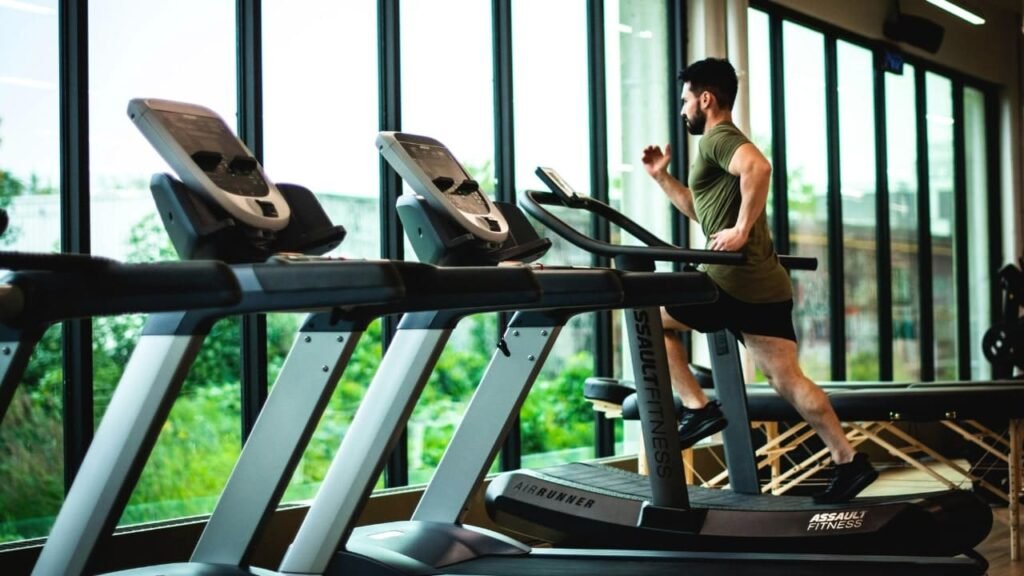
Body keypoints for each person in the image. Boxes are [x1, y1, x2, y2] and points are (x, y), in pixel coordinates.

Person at [641, 57, 877, 503]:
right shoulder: (719, 147)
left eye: (685, 100)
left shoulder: (720, 139)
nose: (683, 109)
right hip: (765, 284)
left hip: (728, 280)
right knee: (788, 380)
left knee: (647, 317)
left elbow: (760, 169)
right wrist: (662, 178)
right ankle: (848, 460)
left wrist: (742, 230)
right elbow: (702, 210)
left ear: (705, 99)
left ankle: (698, 408)